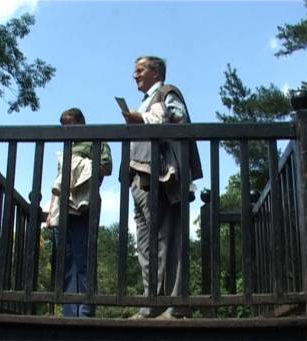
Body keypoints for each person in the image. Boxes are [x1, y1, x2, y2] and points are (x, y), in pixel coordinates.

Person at [122, 56, 203, 319]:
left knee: (165, 241)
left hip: (161, 178)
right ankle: (152, 303)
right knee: (145, 247)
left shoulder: (168, 93)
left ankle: (176, 305)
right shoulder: (146, 100)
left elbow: (178, 122)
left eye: (140, 70)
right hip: (139, 177)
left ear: (156, 72)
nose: (135, 75)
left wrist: (141, 118)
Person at [46, 108, 112, 318]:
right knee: (65, 260)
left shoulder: (96, 141)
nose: (67, 130)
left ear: (82, 122)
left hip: (86, 204)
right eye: (63, 127)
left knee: (84, 260)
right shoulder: (67, 146)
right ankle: (69, 312)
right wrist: (51, 210)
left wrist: (80, 167)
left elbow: (106, 167)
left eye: (70, 126)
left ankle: (84, 312)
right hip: (63, 206)